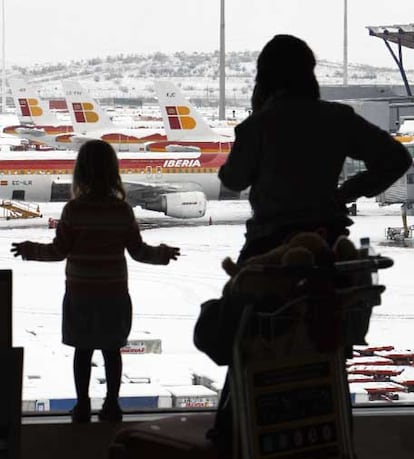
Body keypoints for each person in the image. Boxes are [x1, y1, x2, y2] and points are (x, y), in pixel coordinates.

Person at [11, 139, 180, 423]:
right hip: (114, 295)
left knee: (82, 351)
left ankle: (82, 406)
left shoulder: (73, 211)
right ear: (113, 171)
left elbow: (57, 252)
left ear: (80, 173)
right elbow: (138, 252)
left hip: (81, 295)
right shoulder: (122, 211)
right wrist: (162, 255)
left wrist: (30, 250)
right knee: (112, 352)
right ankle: (112, 406)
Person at [218, 34, 412, 262]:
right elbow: (397, 159)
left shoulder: (258, 125)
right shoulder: (337, 118)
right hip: (327, 240)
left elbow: (234, 180)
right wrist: (347, 192)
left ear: (264, 79)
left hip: (269, 244)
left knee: (236, 295)